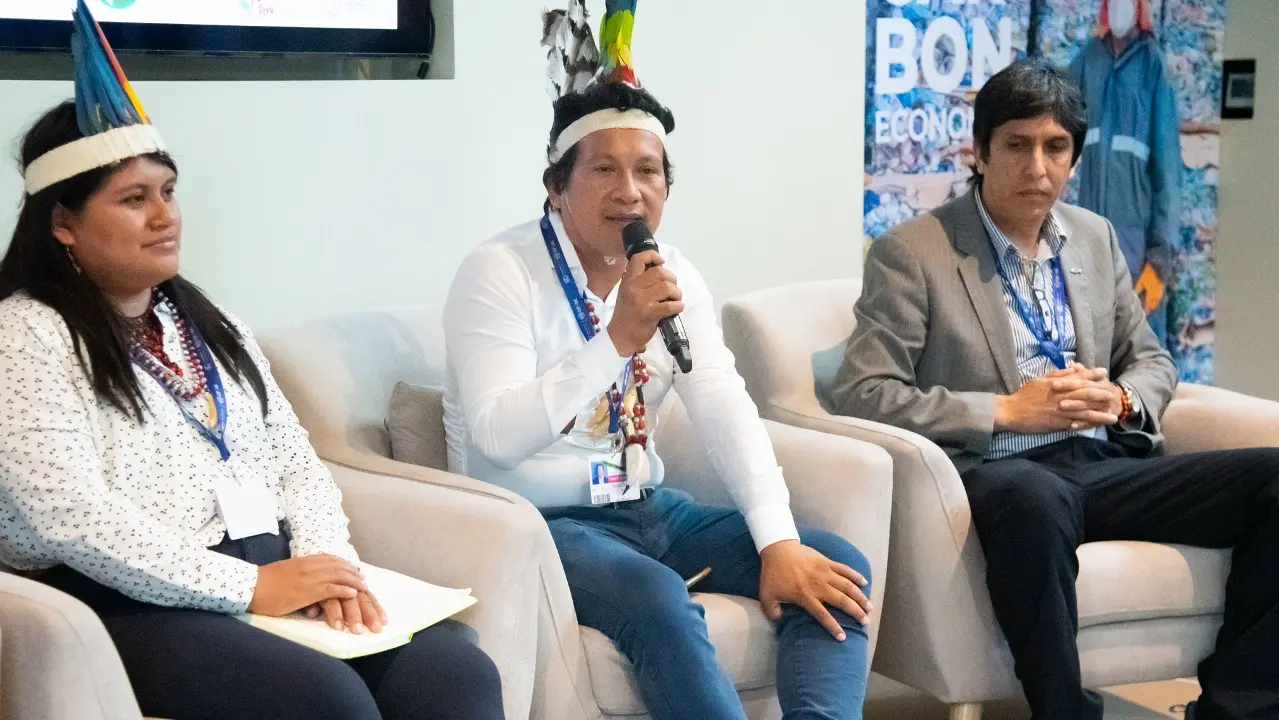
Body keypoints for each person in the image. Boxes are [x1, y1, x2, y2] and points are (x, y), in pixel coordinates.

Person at [0, 4, 502, 719]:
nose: (165, 216)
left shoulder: (207, 321)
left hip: (266, 567)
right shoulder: (26, 333)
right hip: (128, 599)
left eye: (168, 193)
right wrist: (246, 590)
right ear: (63, 224)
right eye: (134, 199)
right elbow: (68, 519)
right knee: (325, 702)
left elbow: (295, 461)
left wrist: (327, 568)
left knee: (453, 670)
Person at [443, 2, 874, 718]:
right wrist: (615, 338)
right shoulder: (499, 271)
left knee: (834, 566)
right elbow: (494, 437)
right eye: (604, 170)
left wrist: (779, 539)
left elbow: (723, 405)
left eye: (648, 171)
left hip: (645, 505)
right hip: (540, 522)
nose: (629, 191)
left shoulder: (669, 270)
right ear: (555, 186)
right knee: (654, 596)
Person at [832, 60, 1279, 720]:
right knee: (1031, 500)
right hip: (1002, 471)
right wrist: (1005, 410)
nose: (1037, 167)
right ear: (978, 151)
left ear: (1073, 156)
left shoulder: (1092, 237)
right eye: (1016, 145)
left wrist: (1121, 399)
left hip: (1106, 465)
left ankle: (1236, 708)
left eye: (1055, 147)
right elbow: (861, 391)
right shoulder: (912, 253)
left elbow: (1152, 360)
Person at [1068, 0, 1181, 344]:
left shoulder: (1152, 64)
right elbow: (1055, 109)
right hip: (1089, 240)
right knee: (1091, 348)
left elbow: (1169, 174)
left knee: (1142, 349)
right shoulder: (1088, 60)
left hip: (1136, 244)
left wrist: (1160, 260)